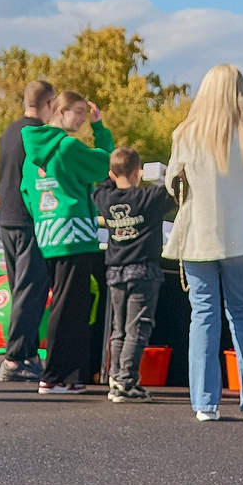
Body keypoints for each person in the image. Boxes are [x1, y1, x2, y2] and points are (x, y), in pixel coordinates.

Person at [165, 65, 243, 420]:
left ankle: (205, 403)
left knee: (203, 314)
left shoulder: (185, 132)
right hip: (241, 234)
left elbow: (172, 181)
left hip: (199, 231)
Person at [21, 94, 111, 394]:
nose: (84, 118)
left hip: (49, 233)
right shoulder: (68, 146)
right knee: (71, 306)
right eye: (80, 112)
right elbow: (104, 166)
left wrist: (43, 218)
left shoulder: (32, 152)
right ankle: (56, 375)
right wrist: (101, 130)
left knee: (63, 301)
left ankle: (66, 376)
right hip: (75, 234)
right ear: (61, 111)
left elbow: (25, 191)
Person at [95, 147, 175, 402]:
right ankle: (126, 381)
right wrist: (160, 174)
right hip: (143, 269)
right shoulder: (149, 198)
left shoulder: (104, 198)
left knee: (118, 329)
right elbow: (176, 189)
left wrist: (113, 173)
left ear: (112, 172)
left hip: (115, 271)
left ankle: (116, 376)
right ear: (138, 172)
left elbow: (102, 183)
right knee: (137, 328)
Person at [0, 80, 59, 385]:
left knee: (22, 286)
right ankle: (15, 358)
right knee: (30, 290)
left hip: (6, 218)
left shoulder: (9, 132)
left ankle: (28, 353)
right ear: (48, 103)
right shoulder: (38, 134)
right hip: (28, 218)